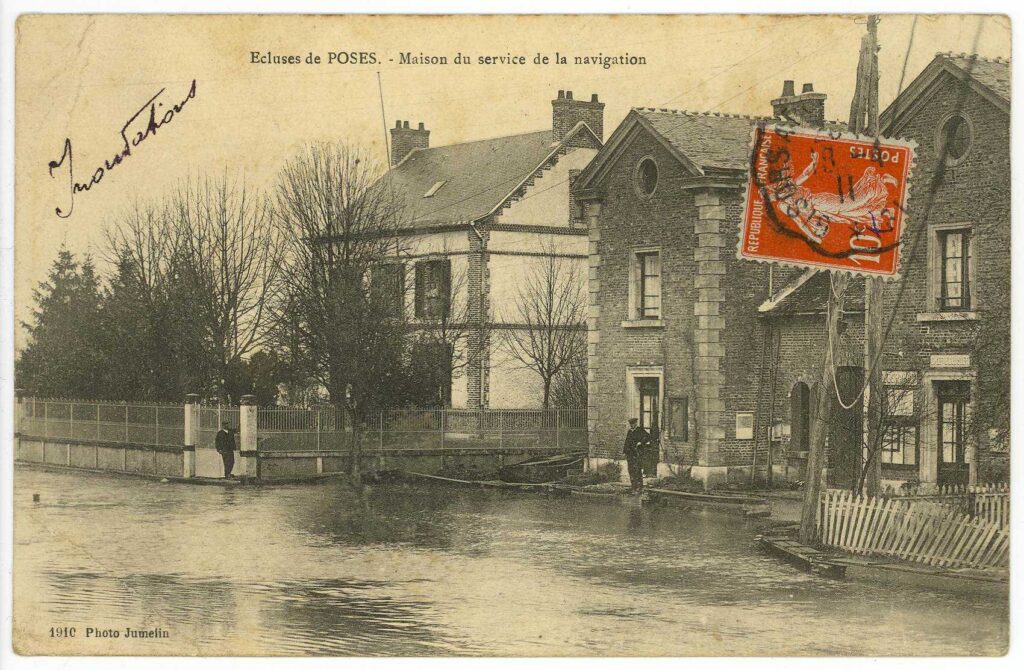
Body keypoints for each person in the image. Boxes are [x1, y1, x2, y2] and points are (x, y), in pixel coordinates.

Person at [622, 418, 651, 493]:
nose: (632, 425)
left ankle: (639, 487)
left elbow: (648, 437)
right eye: (631, 424)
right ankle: (633, 487)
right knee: (631, 470)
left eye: (633, 424)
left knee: (637, 470)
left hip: (637, 454)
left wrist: (641, 442)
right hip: (630, 454)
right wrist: (625, 451)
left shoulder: (640, 430)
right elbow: (627, 442)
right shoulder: (630, 432)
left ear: (636, 423)